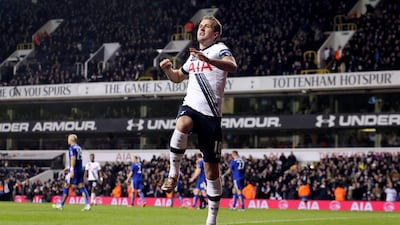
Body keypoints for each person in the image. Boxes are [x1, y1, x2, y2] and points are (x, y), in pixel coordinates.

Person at [160, 15, 237, 225]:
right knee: (183, 123)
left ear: (216, 34)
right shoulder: (193, 56)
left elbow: (232, 66)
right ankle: (173, 174)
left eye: (206, 27)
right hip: (191, 107)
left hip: (211, 117)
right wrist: (168, 70)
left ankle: (212, 219)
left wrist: (208, 61)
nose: (201, 29)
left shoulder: (220, 49)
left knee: (211, 171)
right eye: (200, 26)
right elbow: (178, 77)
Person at [53, 134, 91, 211]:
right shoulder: (79, 148)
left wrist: (72, 169)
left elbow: (73, 158)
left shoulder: (72, 148)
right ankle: (87, 205)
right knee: (81, 186)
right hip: (80, 168)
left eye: (68, 138)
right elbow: (77, 159)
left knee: (66, 185)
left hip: (75, 170)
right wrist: (69, 167)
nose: (68, 140)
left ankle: (61, 205)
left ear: (71, 140)